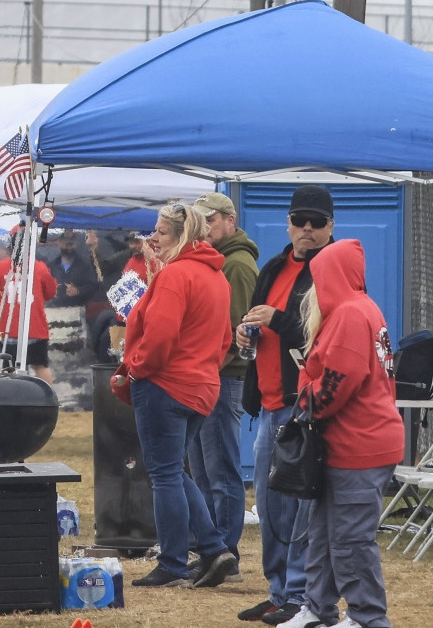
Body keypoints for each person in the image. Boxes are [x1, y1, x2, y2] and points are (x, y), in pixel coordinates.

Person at [279, 239, 403, 628]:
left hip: (357, 446)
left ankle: (367, 618)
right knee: (325, 535)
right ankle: (318, 609)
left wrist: (304, 395)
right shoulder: (363, 308)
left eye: (318, 276)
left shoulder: (349, 314)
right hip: (355, 443)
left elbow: (335, 385)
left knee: (349, 541)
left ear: (329, 275)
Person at [115, 202, 238, 589]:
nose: (153, 238)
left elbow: (161, 337)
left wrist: (136, 367)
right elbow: (225, 340)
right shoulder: (215, 277)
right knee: (174, 471)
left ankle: (172, 562)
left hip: (164, 385)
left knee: (165, 473)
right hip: (201, 387)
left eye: (162, 232)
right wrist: (202, 368)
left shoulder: (176, 276)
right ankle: (216, 549)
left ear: (183, 235)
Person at [236, 185, 335, 625]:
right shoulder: (274, 266)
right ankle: (280, 591)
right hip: (271, 402)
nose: (307, 230)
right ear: (289, 223)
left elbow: (327, 335)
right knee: (272, 505)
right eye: (300, 220)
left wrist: (277, 321)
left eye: (317, 222)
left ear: (331, 226)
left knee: (298, 507)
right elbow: (257, 320)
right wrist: (245, 333)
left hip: (305, 406)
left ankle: (299, 594)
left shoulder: (333, 270)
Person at [188, 192, 259, 580]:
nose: (206, 227)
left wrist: (206, 363)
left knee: (220, 472)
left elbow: (237, 333)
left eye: (211, 220)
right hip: (211, 376)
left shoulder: (237, 264)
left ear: (230, 220)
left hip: (223, 377)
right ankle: (212, 550)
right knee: (204, 471)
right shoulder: (221, 261)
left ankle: (225, 552)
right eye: (202, 220)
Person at [0, 228, 57, 385]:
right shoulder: (40, 267)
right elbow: (50, 293)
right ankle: (49, 400)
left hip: (3, 330)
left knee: (6, 368)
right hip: (35, 328)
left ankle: (10, 402)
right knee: (40, 366)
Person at [46, 229, 99, 308]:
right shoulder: (50, 266)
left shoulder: (85, 266)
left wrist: (78, 291)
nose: (69, 246)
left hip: (78, 311)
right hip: (53, 310)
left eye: (71, 243)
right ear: (59, 242)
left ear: (76, 243)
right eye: (66, 242)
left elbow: (94, 286)